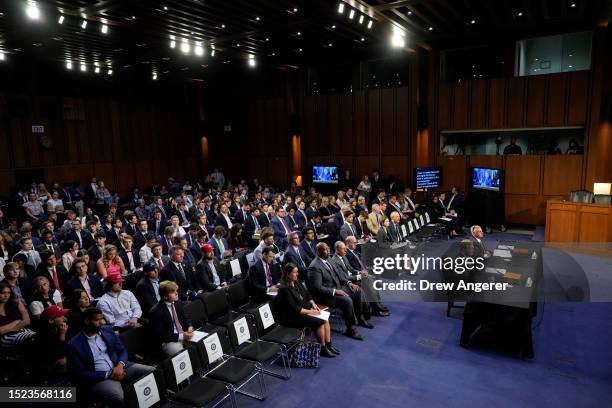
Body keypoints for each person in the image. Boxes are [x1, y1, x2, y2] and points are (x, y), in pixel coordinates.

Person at [66, 308, 155, 407]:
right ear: (87, 322)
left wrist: (120, 366)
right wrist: (108, 374)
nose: (102, 322)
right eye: (97, 320)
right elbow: (80, 373)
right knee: (119, 398)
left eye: (102, 318)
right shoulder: (74, 345)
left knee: (152, 371)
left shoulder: (107, 330)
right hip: (100, 378)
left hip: (119, 366)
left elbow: (122, 350)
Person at [275, 263, 338, 358]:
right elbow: (295, 309)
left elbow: (307, 295)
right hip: (292, 317)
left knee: (326, 317)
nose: (297, 274)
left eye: (297, 272)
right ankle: (323, 348)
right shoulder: (284, 288)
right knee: (320, 321)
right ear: (287, 274)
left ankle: (329, 345)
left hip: (305, 310)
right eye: (294, 272)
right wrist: (312, 312)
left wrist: (313, 304)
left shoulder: (297, 281)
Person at [307, 242, 363, 340]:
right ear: (318, 252)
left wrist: (349, 283)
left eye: (328, 249)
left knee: (357, 291)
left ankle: (359, 318)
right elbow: (317, 288)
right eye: (325, 249)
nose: (328, 251)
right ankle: (350, 329)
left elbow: (340, 275)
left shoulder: (329, 259)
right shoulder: (314, 267)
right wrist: (335, 291)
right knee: (347, 300)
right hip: (326, 296)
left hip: (338, 288)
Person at [149, 281, 195, 356]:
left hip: (184, 334)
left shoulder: (178, 302)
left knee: (201, 344)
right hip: (169, 341)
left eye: (176, 291)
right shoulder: (155, 312)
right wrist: (182, 336)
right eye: (173, 292)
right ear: (165, 296)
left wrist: (190, 326)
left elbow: (186, 318)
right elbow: (161, 335)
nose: (176, 293)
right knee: (184, 355)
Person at [0, 282, 35, 352]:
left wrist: (20, 304)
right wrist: (16, 323)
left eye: (8, 293)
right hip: (5, 338)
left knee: (40, 337)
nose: (6, 295)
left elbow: (27, 322)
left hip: (22, 331)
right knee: (31, 340)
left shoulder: (14, 304)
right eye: (3, 293)